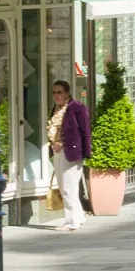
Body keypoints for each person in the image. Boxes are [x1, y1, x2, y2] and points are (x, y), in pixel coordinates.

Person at [47, 79, 91, 232]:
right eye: (54, 92)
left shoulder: (76, 107)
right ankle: (78, 216)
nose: (56, 95)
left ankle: (71, 221)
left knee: (69, 186)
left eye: (59, 92)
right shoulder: (56, 108)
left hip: (72, 152)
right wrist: (53, 144)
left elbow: (85, 130)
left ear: (67, 93)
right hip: (58, 151)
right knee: (63, 185)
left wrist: (86, 152)